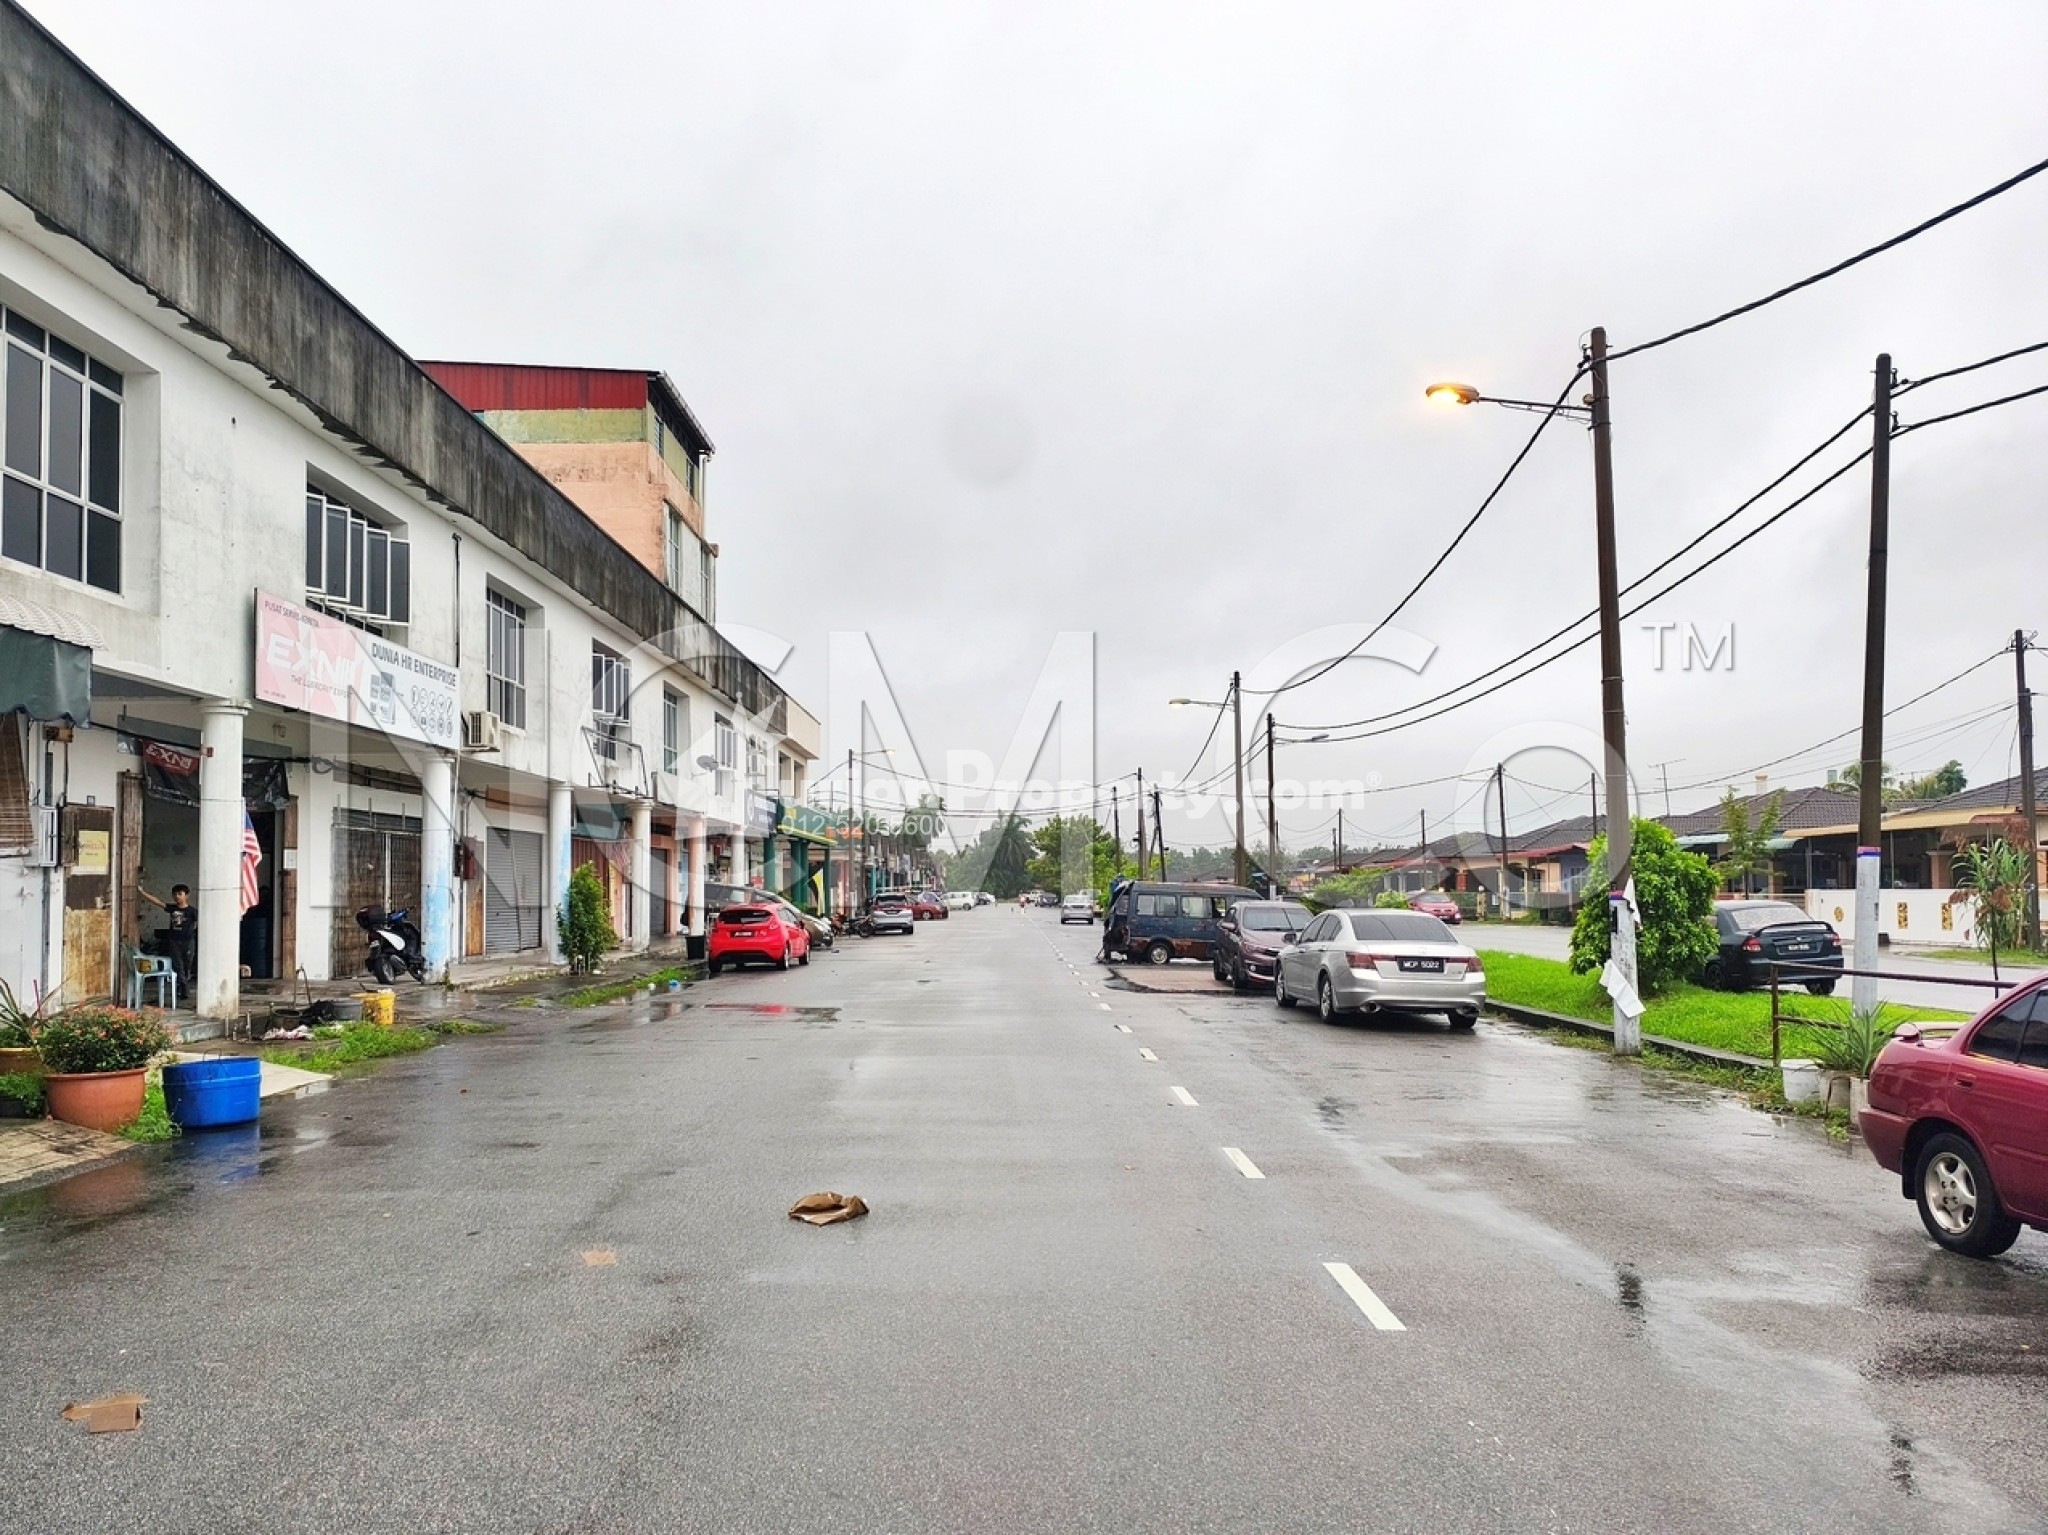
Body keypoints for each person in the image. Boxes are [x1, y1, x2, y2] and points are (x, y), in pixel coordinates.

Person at [140, 883, 197, 990]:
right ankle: (182, 986)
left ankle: (183, 982)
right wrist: (143, 893)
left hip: (188, 941)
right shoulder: (172, 908)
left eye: (180, 894)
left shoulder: (192, 911)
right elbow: (158, 902)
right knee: (177, 964)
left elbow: (197, 924)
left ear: (187, 896)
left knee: (187, 963)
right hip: (174, 941)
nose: (177, 897)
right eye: (175, 894)